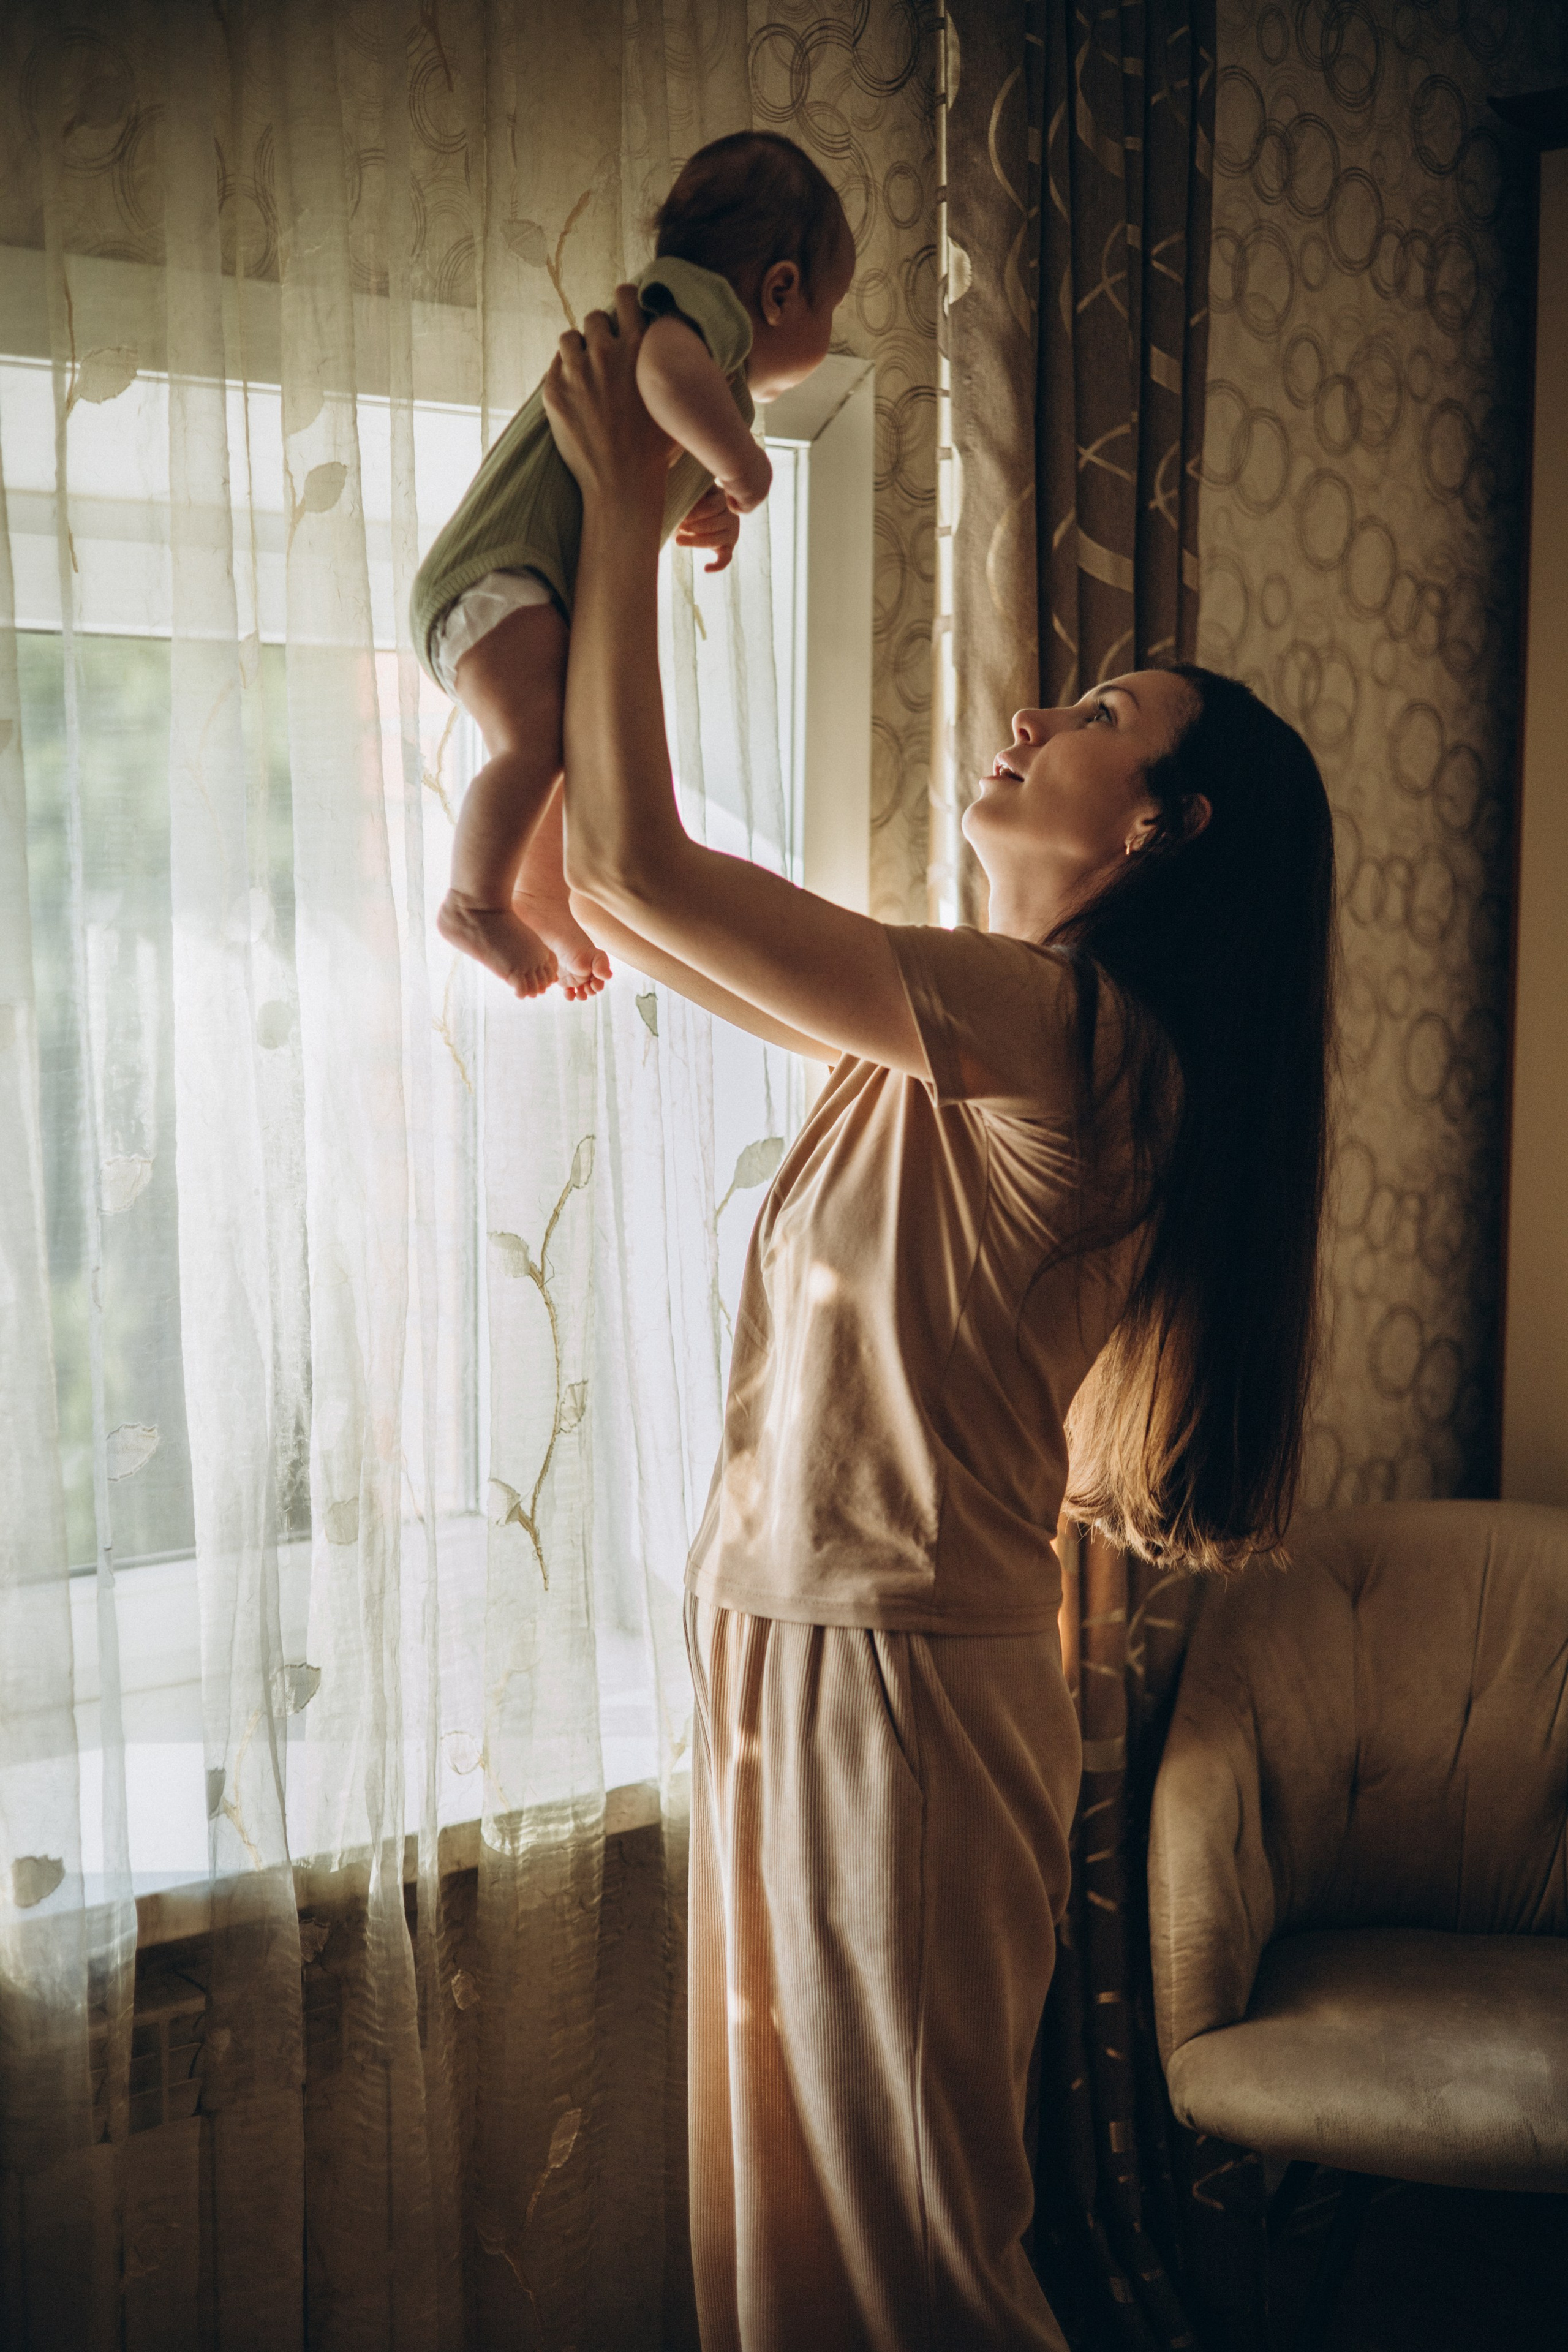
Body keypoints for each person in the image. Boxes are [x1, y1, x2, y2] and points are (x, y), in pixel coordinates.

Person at [541, 293, 1335, 2351]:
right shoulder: (996, 1032)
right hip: (793, 1635)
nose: (1028, 718)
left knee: (909, 2270)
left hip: (891, 1675)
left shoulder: (1078, 1035)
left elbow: (641, 866)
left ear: (1166, 829)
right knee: (789, 2256)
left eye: (1090, 712)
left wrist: (625, 513)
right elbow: (627, 896)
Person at [409, 131, 854, 1000]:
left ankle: (541, 893)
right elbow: (658, 372)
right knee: (533, 740)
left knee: (563, 743)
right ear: (781, 289)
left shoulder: (706, 363)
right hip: (502, 571)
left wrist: (706, 506)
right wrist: (741, 463)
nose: (829, 335)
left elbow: (648, 453)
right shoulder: (697, 319)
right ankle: (473, 901)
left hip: (517, 583)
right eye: (831, 309)